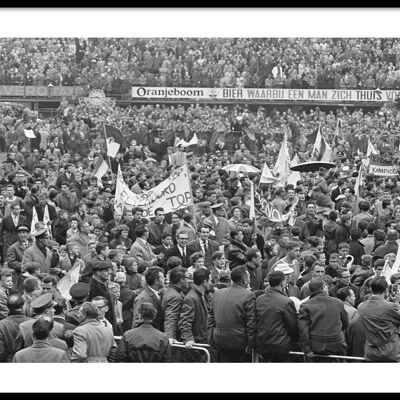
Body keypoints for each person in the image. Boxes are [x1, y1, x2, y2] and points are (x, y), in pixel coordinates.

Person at [208, 264, 256, 362]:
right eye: (249, 277)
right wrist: (251, 345)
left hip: (219, 340)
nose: (250, 280)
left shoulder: (218, 293)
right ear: (244, 280)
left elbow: (210, 319)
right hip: (239, 344)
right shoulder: (248, 295)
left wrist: (211, 339)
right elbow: (251, 323)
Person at [298, 278, 348, 361]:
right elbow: (345, 323)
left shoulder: (305, 305)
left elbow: (303, 329)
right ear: (324, 287)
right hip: (337, 344)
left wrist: (306, 348)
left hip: (316, 346)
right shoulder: (338, 302)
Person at [255, 270, 299, 362]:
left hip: (262, 344)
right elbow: (292, 326)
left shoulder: (259, 299)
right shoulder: (286, 302)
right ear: (282, 283)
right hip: (280, 346)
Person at [357, 276, 400, 362]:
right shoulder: (392, 307)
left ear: (371, 289)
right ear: (386, 290)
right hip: (391, 352)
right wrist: (397, 302)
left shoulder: (361, 306)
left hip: (371, 352)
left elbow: (379, 310)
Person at [178, 267, 212, 348]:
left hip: (204, 340)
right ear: (204, 282)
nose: (211, 283)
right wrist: (189, 339)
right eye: (210, 280)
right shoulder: (191, 299)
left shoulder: (203, 295)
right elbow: (185, 322)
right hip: (198, 345)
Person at [87, 261, 118, 334]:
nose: (109, 272)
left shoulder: (102, 284)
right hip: (101, 328)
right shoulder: (92, 288)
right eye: (106, 271)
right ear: (98, 272)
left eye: (109, 270)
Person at [131, 266, 165, 331]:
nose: (165, 279)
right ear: (156, 281)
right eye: (163, 278)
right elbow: (137, 323)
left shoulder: (160, 293)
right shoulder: (142, 298)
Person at [161, 266, 190, 342]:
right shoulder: (175, 297)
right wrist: (170, 337)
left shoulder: (171, 291)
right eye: (187, 278)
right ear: (181, 280)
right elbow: (171, 317)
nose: (189, 280)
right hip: (176, 338)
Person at [0, 294, 30, 362]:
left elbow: (1, 351)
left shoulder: (1, 325)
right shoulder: (32, 323)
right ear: (23, 306)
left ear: (8, 307)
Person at [6, 223, 31, 292]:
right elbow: (11, 262)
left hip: (35, 276)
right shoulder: (13, 248)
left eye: (24, 232)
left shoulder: (34, 246)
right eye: (20, 233)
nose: (22, 235)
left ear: (28, 234)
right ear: (17, 235)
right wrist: (25, 266)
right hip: (21, 277)